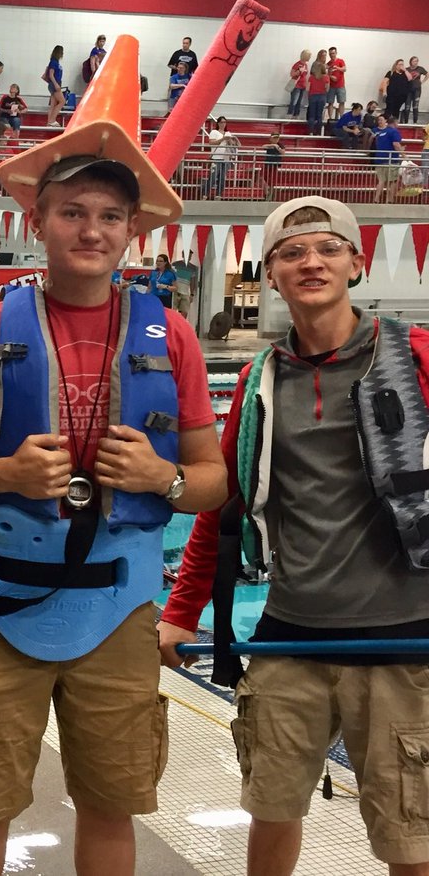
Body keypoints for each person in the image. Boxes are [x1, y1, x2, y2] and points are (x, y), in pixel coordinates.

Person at [0, 37, 226, 876]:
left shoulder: (177, 336)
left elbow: (211, 483)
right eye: (73, 212)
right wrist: (2, 476)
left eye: (109, 216)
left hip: (119, 617)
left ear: (132, 232)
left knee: (110, 804)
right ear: (38, 219)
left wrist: (162, 478)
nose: (91, 230)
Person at [159, 195, 429, 876]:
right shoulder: (257, 381)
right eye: (291, 251)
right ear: (270, 274)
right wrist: (180, 613)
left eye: (328, 247)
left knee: (411, 837)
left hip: (402, 636)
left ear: (356, 263)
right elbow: (221, 509)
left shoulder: (418, 356)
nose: (311, 261)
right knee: (272, 809)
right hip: (289, 634)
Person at [202, 116, 239, 201]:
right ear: (218, 123)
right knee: (213, 177)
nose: (223, 124)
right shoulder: (214, 132)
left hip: (225, 158)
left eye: (224, 122)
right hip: (216, 157)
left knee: (222, 177)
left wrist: (232, 140)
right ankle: (205, 194)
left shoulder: (228, 133)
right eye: (221, 122)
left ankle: (218, 195)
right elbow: (211, 143)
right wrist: (223, 139)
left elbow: (233, 145)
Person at [372, 112, 406, 203]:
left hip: (379, 159)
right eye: (397, 123)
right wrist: (404, 156)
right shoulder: (394, 131)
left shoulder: (381, 132)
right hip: (391, 160)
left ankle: (376, 199)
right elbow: (396, 145)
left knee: (381, 181)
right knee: (393, 181)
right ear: (394, 123)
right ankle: (390, 200)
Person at [381, 59, 412, 123]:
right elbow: (385, 82)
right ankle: (385, 122)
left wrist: (405, 70)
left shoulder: (405, 73)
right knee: (389, 110)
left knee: (396, 110)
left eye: (402, 64)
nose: (401, 66)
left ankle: (394, 123)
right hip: (391, 95)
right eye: (400, 64)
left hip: (401, 96)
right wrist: (384, 91)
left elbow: (410, 78)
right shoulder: (391, 73)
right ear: (396, 65)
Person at [307, 51, 329, 137]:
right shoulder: (326, 77)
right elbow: (327, 89)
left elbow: (307, 88)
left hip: (313, 96)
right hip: (322, 96)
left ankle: (311, 132)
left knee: (312, 115)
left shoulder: (311, 77)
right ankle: (318, 132)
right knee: (319, 116)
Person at [259, 132, 285, 202]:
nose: (276, 140)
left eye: (277, 138)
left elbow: (283, 153)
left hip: (275, 165)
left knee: (272, 183)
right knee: (261, 178)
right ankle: (266, 191)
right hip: (267, 164)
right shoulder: (269, 145)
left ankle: (269, 197)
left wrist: (277, 147)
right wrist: (272, 145)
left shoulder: (280, 145)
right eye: (274, 138)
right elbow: (263, 147)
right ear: (270, 138)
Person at [44, 45, 66, 126]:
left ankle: (49, 122)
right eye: (61, 52)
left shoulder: (55, 62)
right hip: (54, 84)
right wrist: (56, 84)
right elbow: (51, 75)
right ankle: (52, 120)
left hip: (54, 84)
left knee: (53, 105)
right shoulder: (53, 62)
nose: (62, 54)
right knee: (62, 101)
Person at [326, 46, 347, 124]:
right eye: (330, 53)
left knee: (341, 102)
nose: (332, 55)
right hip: (331, 86)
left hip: (340, 85)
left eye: (333, 53)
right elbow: (324, 68)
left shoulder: (340, 61)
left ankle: (341, 117)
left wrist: (337, 68)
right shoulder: (329, 63)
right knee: (330, 102)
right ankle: (330, 118)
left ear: (336, 53)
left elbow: (344, 69)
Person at [404, 55, 428, 124]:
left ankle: (415, 122)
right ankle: (406, 122)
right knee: (407, 106)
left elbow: (427, 74)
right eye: (414, 61)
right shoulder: (407, 69)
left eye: (417, 61)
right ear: (411, 62)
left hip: (417, 89)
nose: (416, 62)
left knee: (415, 106)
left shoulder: (420, 68)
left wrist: (423, 81)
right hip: (408, 90)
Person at [287, 50, 311, 118]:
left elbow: (305, 76)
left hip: (302, 86)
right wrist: (298, 72)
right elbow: (292, 74)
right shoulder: (297, 64)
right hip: (296, 86)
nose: (309, 57)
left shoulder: (305, 65)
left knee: (299, 102)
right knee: (294, 101)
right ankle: (289, 115)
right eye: (309, 56)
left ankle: (296, 115)